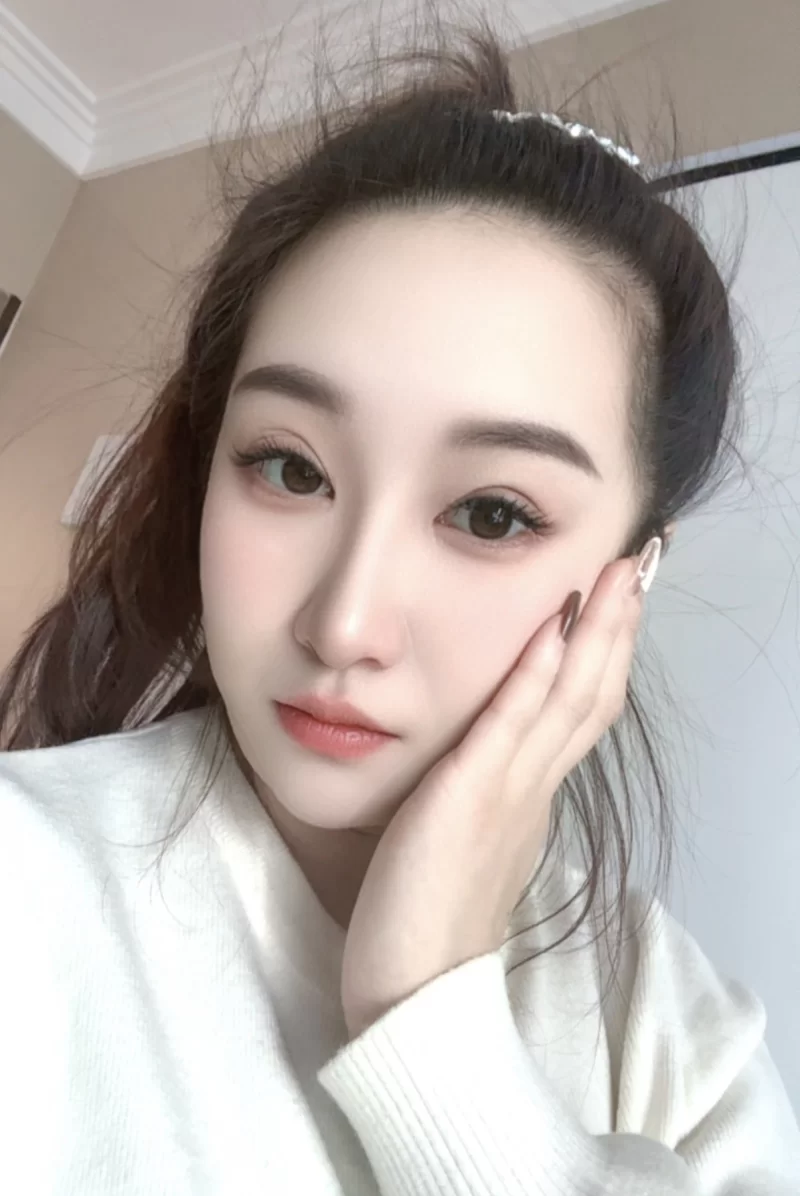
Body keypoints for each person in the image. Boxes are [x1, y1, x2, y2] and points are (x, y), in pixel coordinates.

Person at [0, 9, 798, 1195]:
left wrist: (427, 1021)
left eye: (491, 513)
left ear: (629, 577)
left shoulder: (682, 1044)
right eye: (289, 467)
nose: (343, 623)